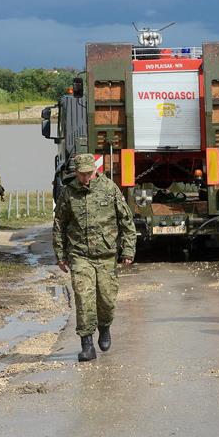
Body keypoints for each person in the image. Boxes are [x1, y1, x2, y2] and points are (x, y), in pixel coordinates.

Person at [53, 154, 137, 362]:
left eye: (89, 174)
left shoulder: (109, 189)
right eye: (81, 175)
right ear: (76, 173)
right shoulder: (68, 193)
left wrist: (128, 250)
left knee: (107, 300)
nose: (85, 178)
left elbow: (126, 221)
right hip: (80, 255)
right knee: (83, 298)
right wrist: (60, 254)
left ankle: (105, 326)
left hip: (106, 255)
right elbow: (59, 226)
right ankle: (87, 344)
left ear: (95, 171)